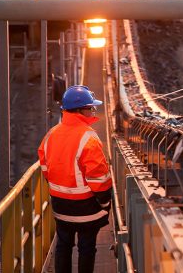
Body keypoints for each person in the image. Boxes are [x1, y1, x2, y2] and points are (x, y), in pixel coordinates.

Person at [38, 85, 112, 273]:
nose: (93, 110)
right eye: (90, 107)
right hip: (87, 208)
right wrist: (104, 203)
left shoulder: (50, 135)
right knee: (86, 248)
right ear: (80, 110)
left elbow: (46, 170)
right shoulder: (88, 137)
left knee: (63, 245)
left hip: (61, 206)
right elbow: (99, 179)